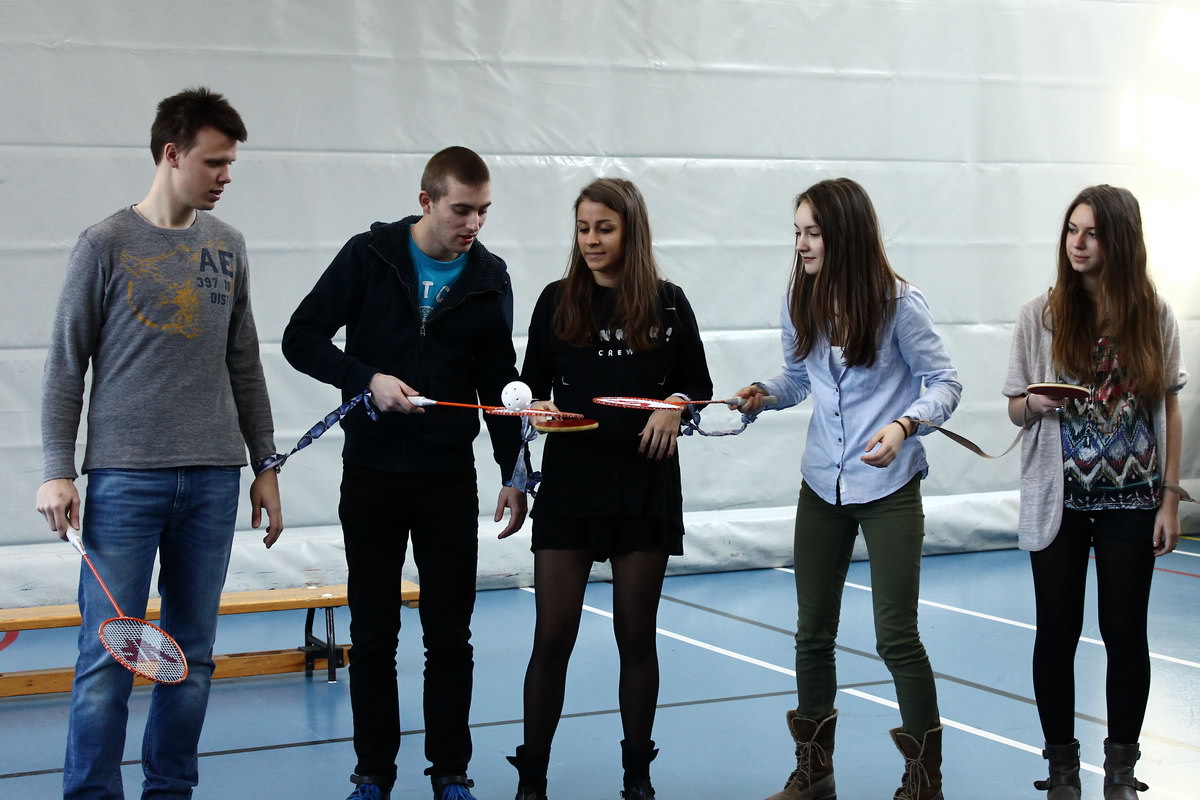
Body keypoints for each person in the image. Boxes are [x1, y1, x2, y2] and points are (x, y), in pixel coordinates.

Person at [34, 87, 284, 800]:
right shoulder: (104, 244)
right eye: (214, 162)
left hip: (213, 481)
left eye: (230, 164)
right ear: (172, 154)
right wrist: (56, 469)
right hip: (125, 481)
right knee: (105, 660)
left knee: (191, 659)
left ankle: (170, 789)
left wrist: (264, 464)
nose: (226, 176)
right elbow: (65, 365)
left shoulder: (228, 246)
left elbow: (245, 363)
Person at [281, 146, 526, 800]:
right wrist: (366, 378)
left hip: (447, 479)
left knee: (450, 636)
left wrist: (514, 470)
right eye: (461, 210)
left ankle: (451, 772)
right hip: (371, 474)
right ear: (426, 201)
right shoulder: (369, 256)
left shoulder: (490, 277)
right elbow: (300, 338)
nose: (473, 223)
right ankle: (373, 774)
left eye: (483, 211)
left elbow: (498, 381)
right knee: (374, 633)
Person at [735, 178, 961, 800]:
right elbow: (796, 378)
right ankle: (815, 770)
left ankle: (924, 780)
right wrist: (763, 394)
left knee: (896, 635)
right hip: (821, 486)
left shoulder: (899, 304)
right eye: (797, 233)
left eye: (813, 233)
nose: (801, 244)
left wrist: (904, 425)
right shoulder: (799, 298)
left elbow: (945, 382)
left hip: (889, 487)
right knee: (812, 631)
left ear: (846, 235)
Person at [503, 177, 713, 800]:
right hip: (570, 485)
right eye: (583, 228)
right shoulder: (555, 300)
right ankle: (532, 777)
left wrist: (674, 405)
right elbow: (531, 390)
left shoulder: (668, 303)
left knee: (635, 636)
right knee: (552, 637)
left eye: (605, 228)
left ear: (631, 231)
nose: (591, 240)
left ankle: (637, 775)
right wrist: (534, 417)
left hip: (644, 486)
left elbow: (698, 385)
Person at [1003, 185, 1187, 800]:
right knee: (1056, 633)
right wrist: (1035, 403)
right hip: (1059, 502)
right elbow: (1014, 407)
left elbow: (1169, 406)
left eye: (1092, 233)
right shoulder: (1039, 314)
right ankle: (1061, 770)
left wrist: (1168, 497)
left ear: (1120, 241)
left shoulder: (1153, 315)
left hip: (1132, 503)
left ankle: (1120, 770)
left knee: (1125, 635)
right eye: (1071, 230)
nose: (1077, 244)